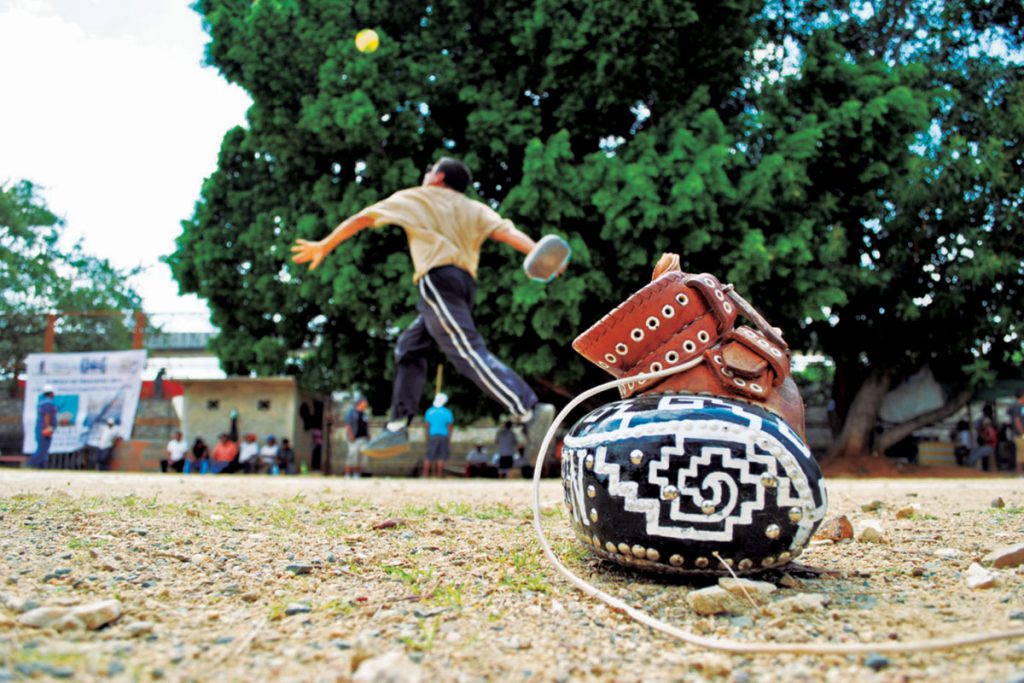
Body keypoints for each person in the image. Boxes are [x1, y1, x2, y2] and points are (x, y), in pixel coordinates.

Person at [291, 156, 557, 459]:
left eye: (430, 170)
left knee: (466, 350)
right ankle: (397, 427)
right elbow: (507, 233)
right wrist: (540, 252)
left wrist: (324, 244)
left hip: (438, 281)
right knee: (410, 347)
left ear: (439, 177)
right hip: (463, 286)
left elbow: (362, 218)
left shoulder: (420, 197)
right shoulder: (475, 208)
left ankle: (528, 410)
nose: (426, 173)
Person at [423, 393, 454, 478]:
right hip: (443, 436)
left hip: (432, 435)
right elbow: (450, 427)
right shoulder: (447, 412)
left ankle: (425, 475)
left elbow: (427, 426)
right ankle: (440, 476)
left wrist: (426, 438)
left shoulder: (429, 411)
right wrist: (449, 438)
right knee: (441, 456)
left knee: (429, 456)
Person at [27, 385, 58, 469]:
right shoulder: (48, 403)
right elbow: (47, 416)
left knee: (43, 449)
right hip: (44, 429)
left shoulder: (42, 402)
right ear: (51, 393)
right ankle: (31, 465)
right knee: (42, 449)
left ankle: (41, 467)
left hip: (40, 428)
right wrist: (48, 427)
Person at [344, 394, 370, 478]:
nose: (366, 404)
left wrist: (369, 435)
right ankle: (348, 473)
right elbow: (348, 425)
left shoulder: (364, 414)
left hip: (363, 438)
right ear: (360, 402)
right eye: (365, 402)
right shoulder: (351, 412)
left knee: (363, 457)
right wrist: (350, 435)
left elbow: (366, 426)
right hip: (354, 438)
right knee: (352, 455)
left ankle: (357, 473)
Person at [1012, 389, 1024, 476]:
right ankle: (1019, 473)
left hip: (1020, 434)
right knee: (1021, 453)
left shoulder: (1021, 406)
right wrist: (1022, 432)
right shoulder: (1017, 406)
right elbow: (1017, 421)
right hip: (1019, 434)